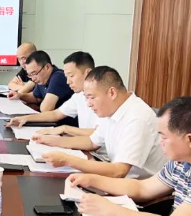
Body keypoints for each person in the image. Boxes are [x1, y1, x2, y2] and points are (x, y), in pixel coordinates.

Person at [68, 96, 191, 216]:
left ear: (190, 139)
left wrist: (108, 209)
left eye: (164, 137)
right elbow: (143, 188)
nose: (160, 143)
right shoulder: (184, 158)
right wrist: (92, 180)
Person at [34, 66, 167, 179]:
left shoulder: (137, 118)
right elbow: (92, 142)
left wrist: (67, 160)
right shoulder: (113, 109)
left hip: (140, 191)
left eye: (91, 97)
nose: (88, 104)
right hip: (121, 181)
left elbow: (119, 171)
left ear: (112, 93)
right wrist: (52, 141)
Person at [7, 51, 100, 136]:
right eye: (67, 77)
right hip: (81, 140)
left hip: (88, 143)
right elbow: (55, 114)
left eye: (71, 76)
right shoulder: (78, 96)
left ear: (88, 73)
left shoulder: (102, 98)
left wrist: (64, 129)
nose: (68, 82)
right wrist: (23, 119)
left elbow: (98, 135)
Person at [7, 51, 74, 112]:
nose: (33, 79)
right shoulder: (42, 79)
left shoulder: (58, 77)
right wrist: (19, 95)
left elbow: (46, 109)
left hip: (66, 121)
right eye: (30, 75)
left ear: (47, 67)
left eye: (34, 73)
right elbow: (36, 97)